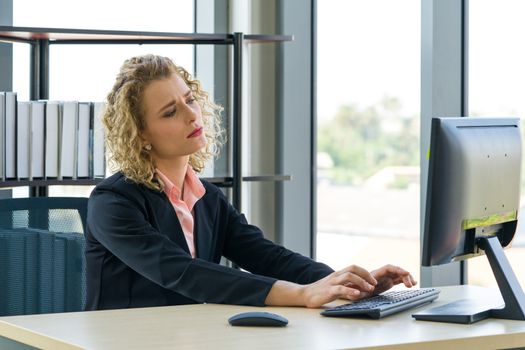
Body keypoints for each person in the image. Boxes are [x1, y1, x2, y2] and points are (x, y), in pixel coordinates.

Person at [85, 54, 416, 311]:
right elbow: (185, 273)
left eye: (189, 99)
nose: (191, 115)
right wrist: (302, 295)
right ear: (140, 134)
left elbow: (267, 257)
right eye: (170, 112)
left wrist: (349, 284)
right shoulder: (112, 203)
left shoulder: (207, 198)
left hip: (185, 337)